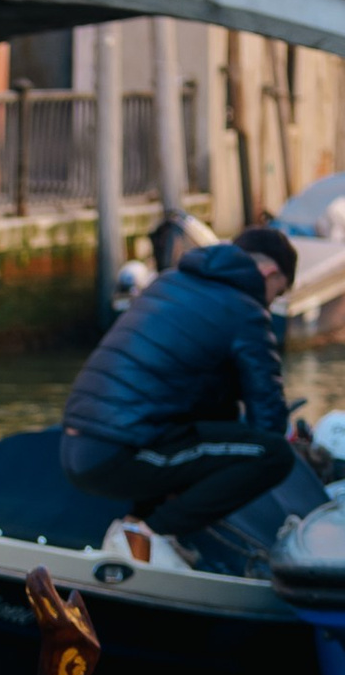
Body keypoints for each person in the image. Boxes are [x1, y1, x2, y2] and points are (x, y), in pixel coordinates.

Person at [56, 223, 303, 564]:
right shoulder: (245, 309)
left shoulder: (169, 281)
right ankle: (146, 533)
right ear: (269, 271)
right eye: (279, 291)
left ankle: (152, 534)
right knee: (273, 454)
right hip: (121, 451)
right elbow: (270, 420)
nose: (273, 301)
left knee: (200, 437)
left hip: (77, 446)